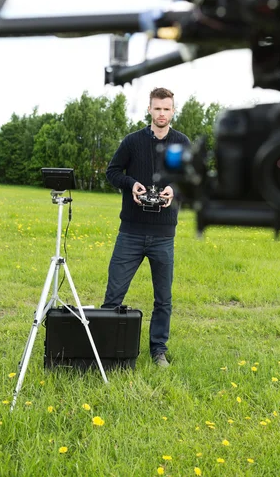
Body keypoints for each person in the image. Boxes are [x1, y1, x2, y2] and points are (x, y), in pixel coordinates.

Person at [102, 87, 190, 367]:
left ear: (173, 111)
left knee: (163, 298)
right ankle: (106, 348)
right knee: (114, 295)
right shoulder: (132, 142)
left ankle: (158, 350)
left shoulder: (181, 143)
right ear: (149, 109)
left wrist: (173, 189)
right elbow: (112, 172)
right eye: (157, 108)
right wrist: (132, 185)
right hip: (131, 232)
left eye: (167, 108)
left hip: (164, 235)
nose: (162, 113)